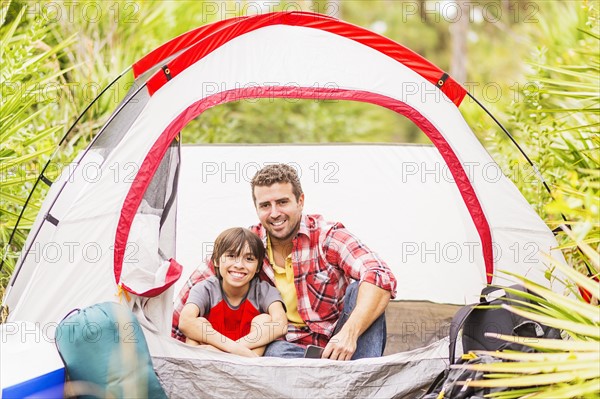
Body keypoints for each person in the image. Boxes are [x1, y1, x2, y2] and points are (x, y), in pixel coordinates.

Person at [173, 164, 397, 360]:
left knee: (365, 289)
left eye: (282, 202)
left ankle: (363, 378)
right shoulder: (247, 248)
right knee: (274, 351)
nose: (274, 213)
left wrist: (349, 333)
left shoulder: (327, 236)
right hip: (290, 350)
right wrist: (165, 352)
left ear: (300, 201)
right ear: (257, 209)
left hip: (343, 346)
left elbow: (379, 275)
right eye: (265, 205)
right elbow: (188, 298)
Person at [178, 227, 287, 357]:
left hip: (243, 357)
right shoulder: (205, 288)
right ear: (216, 261)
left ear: (258, 267)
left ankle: (250, 364)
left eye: (249, 259)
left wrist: (230, 351)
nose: (239, 265)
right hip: (209, 362)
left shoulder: (265, 290)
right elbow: (185, 321)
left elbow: (280, 325)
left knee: (265, 320)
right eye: (231, 256)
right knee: (198, 324)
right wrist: (231, 348)